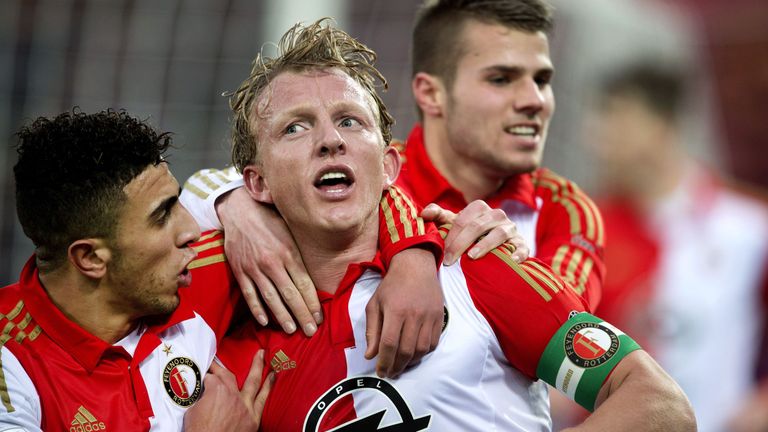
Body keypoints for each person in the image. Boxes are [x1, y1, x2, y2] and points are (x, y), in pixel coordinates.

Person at [189, 19, 695, 431]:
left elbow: (659, 403)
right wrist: (227, 204)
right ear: (254, 183)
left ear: (390, 165)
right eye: (295, 127)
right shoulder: (235, 354)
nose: (330, 141)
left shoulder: (474, 262)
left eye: (350, 121)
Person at [183, 0, 604, 355]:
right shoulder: (359, 170)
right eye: (501, 78)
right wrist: (233, 205)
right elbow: (202, 186)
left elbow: (566, 327)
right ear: (431, 93)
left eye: (542, 80)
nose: (534, 101)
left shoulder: (568, 210)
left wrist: (436, 258)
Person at [0, 110, 271, 431]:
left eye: (178, 200)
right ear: (90, 258)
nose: (192, 231)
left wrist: (233, 201)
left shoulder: (203, 269)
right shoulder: (11, 361)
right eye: (162, 215)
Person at [586, 63, 768, 432]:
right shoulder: (588, 228)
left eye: (617, 120)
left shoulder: (748, 227)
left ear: (662, 124)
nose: (598, 138)